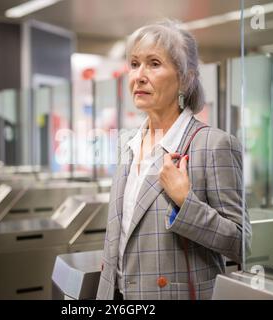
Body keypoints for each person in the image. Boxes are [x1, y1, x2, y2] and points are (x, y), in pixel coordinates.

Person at [96, 20, 252, 300]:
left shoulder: (213, 145)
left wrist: (185, 202)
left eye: (154, 63)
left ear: (185, 77)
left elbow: (241, 244)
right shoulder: (128, 143)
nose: (139, 76)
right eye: (134, 64)